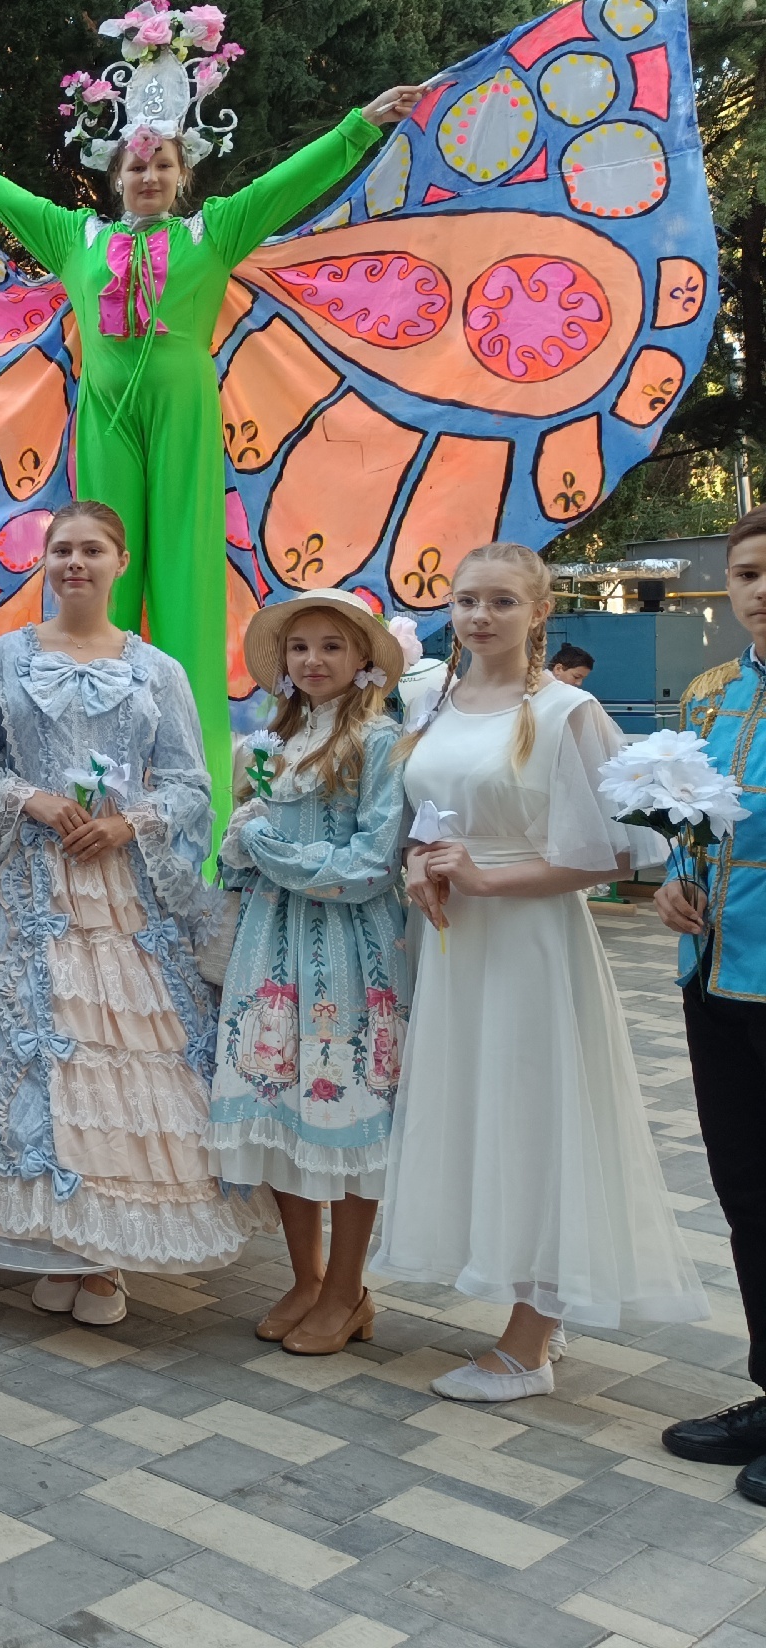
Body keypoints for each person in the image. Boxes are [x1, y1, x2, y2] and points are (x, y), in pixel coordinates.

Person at [0, 28, 443, 833]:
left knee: (188, 582)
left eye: (162, 166)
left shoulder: (212, 233)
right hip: (105, 415)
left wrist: (360, 126)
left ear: (182, 174)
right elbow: (9, 200)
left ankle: (197, 819)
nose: (149, 178)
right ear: (115, 177)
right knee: (99, 577)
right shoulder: (78, 239)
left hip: (186, 411)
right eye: (136, 168)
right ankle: (92, 781)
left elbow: (287, 184)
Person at [372, 542, 706, 1400]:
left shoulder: (567, 711)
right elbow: (428, 818)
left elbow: (613, 853)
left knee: (534, 1118)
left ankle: (530, 1342)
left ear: (538, 612)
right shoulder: (436, 702)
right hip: (454, 945)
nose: (480, 616)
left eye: (501, 602)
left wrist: (487, 878)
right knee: (484, 1115)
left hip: (528, 945)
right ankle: (531, 1309)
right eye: (466, 600)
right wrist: (419, 865)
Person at [0, 501, 265, 1323]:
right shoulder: (2, 659)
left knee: (126, 1057)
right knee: (50, 1058)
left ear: (121, 562)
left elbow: (190, 784)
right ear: (44, 562)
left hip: (124, 892)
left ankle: (108, 1259)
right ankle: (63, 1244)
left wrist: (126, 822)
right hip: (34, 886)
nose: (74, 563)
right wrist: (35, 799)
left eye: (91, 550)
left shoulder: (159, 671)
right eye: (62, 550)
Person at [206, 589, 410, 1355]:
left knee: (345, 1110)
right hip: (270, 944)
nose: (314, 660)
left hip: (351, 950)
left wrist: (269, 850)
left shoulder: (382, 742)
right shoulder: (268, 742)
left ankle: (347, 1289)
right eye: (300, 647)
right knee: (279, 1109)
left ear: (363, 659)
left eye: (331, 646)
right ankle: (305, 1277)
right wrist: (240, 841)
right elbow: (235, 860)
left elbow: (374, 861)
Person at [655, 508, 766, 1494]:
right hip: (714, 980)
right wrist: (668, 882)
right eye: (746, 574)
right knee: (747, 1195)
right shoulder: (707, 696)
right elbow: (683, 823)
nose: (759, 591)